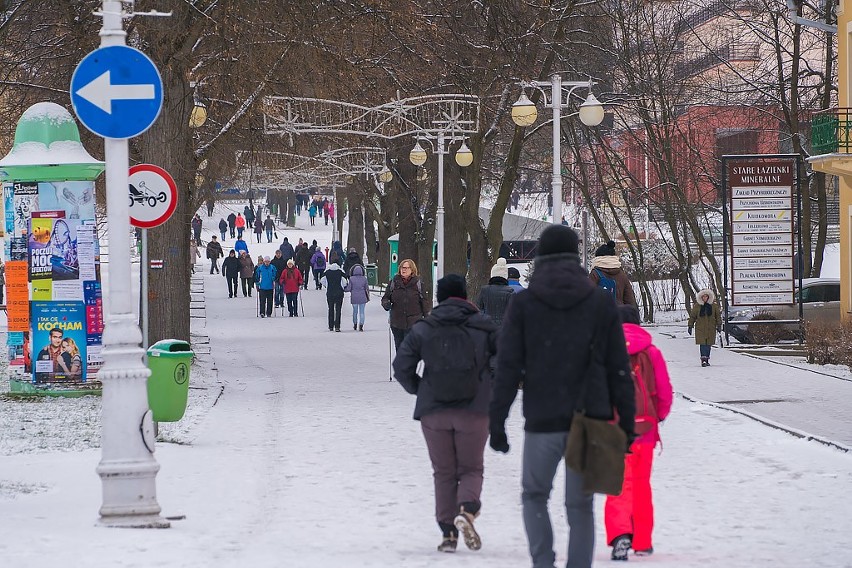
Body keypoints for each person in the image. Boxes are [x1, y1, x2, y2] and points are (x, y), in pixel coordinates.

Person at [489, 224, 635, 568]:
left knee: (534, 496)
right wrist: (626, 423)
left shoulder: (524, 303)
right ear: (577, 258)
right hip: (589, 417)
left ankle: (543, 561)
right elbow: (618, 367)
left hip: (543, 417)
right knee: (580, 505)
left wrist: (497, 422)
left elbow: (508, 367)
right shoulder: (599, 303)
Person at [392, 274, 498, 553]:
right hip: (474, 409)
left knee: (443, 472)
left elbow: (401, 366)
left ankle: (449, 533)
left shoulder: (424, 328)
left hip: (434, 411)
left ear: (438, 297)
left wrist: (421, 389)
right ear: (465, 296)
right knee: (472, 467)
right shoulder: (484, 327)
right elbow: (507, 361)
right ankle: (467, 509)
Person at [605, 304, 673, 561]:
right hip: (644, 429)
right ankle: (643, 541)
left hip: (614, 429)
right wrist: (659, 416)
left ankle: (620, 535)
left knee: (620, 485)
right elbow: (665, 390)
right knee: (642, 486)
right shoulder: (651, 352)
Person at [381, 259, 428, 350]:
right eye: (402, 267)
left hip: (413, 322)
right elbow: (385, 297)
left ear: (412, 270)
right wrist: (386, 303)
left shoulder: (418, 283)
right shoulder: (394, 282)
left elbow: (424, 302)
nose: (404, 269)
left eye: (407, 268)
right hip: (397, 323)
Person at [589, 240, 637, 307]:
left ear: (598, 258)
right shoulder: (622, 274)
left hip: (600, 315)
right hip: (619, 315)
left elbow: (588, 299)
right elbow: (630, 300)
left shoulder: (595, 274)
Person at [688, 288, 722, 367]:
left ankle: (707, 359)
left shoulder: (713, 306)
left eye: (706, 296)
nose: (705, 298)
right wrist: (690, 325)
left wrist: (719, 325)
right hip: (700, 328)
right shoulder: (697, 306)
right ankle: (703, 360)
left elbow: (718, 316)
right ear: (701, 297)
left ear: (709, 297)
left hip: (711, 328)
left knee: (708, 345)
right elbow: (693, 316)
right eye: (703, 297)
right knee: (702, 344)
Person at [476, 257, 514, 327]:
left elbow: (478, 310)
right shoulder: (510, 291)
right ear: (505, 276)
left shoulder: (484, 290)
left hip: (488, 327)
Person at [321, 255, 348, 332]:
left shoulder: (327, 271)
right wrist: (342, 287)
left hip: (330, 292)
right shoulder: (341, 271)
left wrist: (327, 285)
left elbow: (322, 280)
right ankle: (337, 326)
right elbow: (345, 282)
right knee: (338, 309)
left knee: (331, 309)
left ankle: (330, 326)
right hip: (339, 292)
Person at [345, 264, 370, 331]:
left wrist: (344, 289)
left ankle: (355, 324)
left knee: (355, 312)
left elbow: (349, 288)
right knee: (362, 312)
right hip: (363, 297)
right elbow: (367, 288)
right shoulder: (364, 279)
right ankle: (361, 325)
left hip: (354, 297)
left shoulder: (351, 279)